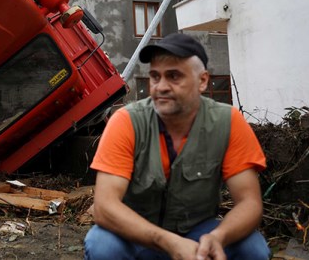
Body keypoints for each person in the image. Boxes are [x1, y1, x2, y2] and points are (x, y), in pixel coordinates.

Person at [84, 33, 270, 260]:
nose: (161, 87)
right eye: (155, 77)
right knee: (102, 245)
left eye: (174, 76)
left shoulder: (227, 122)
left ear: (202, 81)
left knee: (253, 249)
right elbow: (105, 206)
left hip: (198, 233)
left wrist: (218, 237)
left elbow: (249, 202)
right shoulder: (127, 121)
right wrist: (167, 241)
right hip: (138, 234)